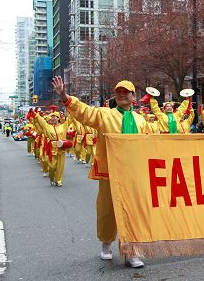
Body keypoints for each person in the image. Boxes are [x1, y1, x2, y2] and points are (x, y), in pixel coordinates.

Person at [52, 76, 151, 268]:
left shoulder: (141, 120)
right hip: (110, 172)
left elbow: (150, 143)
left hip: (133, 174)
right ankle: (106, 243)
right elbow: (84, 112)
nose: (122, 95)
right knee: (107, 211)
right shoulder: (105, 114)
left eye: (126, 92)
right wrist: (64, 96)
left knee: (133, 211)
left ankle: (131, 251)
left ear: (133, 96)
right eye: (119, 92)